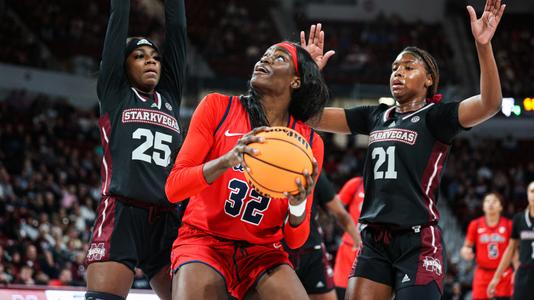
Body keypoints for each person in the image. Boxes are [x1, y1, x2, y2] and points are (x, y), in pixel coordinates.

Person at [301, 1, 506, 299]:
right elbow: (310, 115)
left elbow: (490, 104)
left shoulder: (436, 116)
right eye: (395, 67)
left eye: (409, 67)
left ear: (428, 80)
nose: (398, 72)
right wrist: (309, 74)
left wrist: (483, 46)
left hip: (418, 241)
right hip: (373, 241)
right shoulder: (374, 116)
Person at [164, 38, 330, 299]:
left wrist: (297, 206)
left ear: (295, 81)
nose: (263, 59)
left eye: (278, 58)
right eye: (264, 55)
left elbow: (296, 240)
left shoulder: (310, 142)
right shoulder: (217, 107)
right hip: (204, 240)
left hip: (263, 251)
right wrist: (226, 161)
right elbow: (174, 189)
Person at [84, 0, 187, 299]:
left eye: (155, 56)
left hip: (166, 219)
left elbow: (178, 31)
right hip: (122, 214)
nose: (151, 61)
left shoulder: (169, 96)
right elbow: (117, 24)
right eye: (139, 56)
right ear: (124, 66)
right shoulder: (115, 94)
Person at [284, 172, 360, 300]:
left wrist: (357, 239)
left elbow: (340, 212)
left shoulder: (312, 173)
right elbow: (340, 213)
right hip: (279, 252)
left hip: (310, 249)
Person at [460, 193, 512, 300]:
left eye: (494, 201)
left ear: (501, 207)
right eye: (487, 201)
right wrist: (465, 251)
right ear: (483, 206)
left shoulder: (509, 225)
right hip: (482, 273)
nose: (490, 204)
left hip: (504, 273)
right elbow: (467, 246)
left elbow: (514, 250)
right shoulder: (475, 224)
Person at [488, 181, 534, 299]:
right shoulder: (519, 219)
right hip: (524, 275)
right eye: (532, 191)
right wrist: (496, 277)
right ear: (527, 194)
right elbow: (510, 250)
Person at [333, 176, 365, 300]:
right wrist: (348, 226)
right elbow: (336, 207)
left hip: (373, 247)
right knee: (341, 289)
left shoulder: (386, 186)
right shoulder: (356, 184)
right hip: (350, 245)